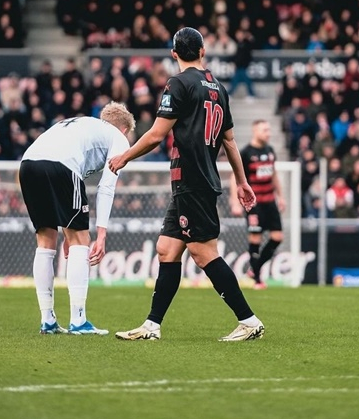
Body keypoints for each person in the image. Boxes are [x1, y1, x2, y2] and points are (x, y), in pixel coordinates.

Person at [109, 27, 264, 342]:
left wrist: (125, 156)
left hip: (192, 179)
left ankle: (249, 321)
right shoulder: (219, 88)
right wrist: (242, 181)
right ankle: (152, 326)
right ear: (203, 52)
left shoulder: (178, 83)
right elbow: (230, 141)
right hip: (196, 179)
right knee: (167, 249)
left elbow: (156, 134)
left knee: (203, 252)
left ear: (174, 54)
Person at [19, 102, 136, 334]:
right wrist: (101, 234)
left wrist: (67, 232)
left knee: (45, 242)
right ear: (124, 129)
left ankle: (48, 320)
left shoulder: (82, 124)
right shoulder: (119, 138)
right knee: (81, 241)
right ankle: (79, 321)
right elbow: (106, 187)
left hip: (27, 165)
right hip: (61, 166)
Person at [229, 119, 285, 289]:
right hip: (255, 204)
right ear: (255, 131)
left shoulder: (270, 150)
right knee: (256, 239)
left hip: (270, 201)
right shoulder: (246, 153)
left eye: (268, 130)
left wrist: (281, 196)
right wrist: (235, 202)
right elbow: (235, 177)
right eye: (264, 130)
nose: (268, 133)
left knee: (277, 237)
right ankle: (257, 280)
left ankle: (255, 268)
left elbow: (273, 174)